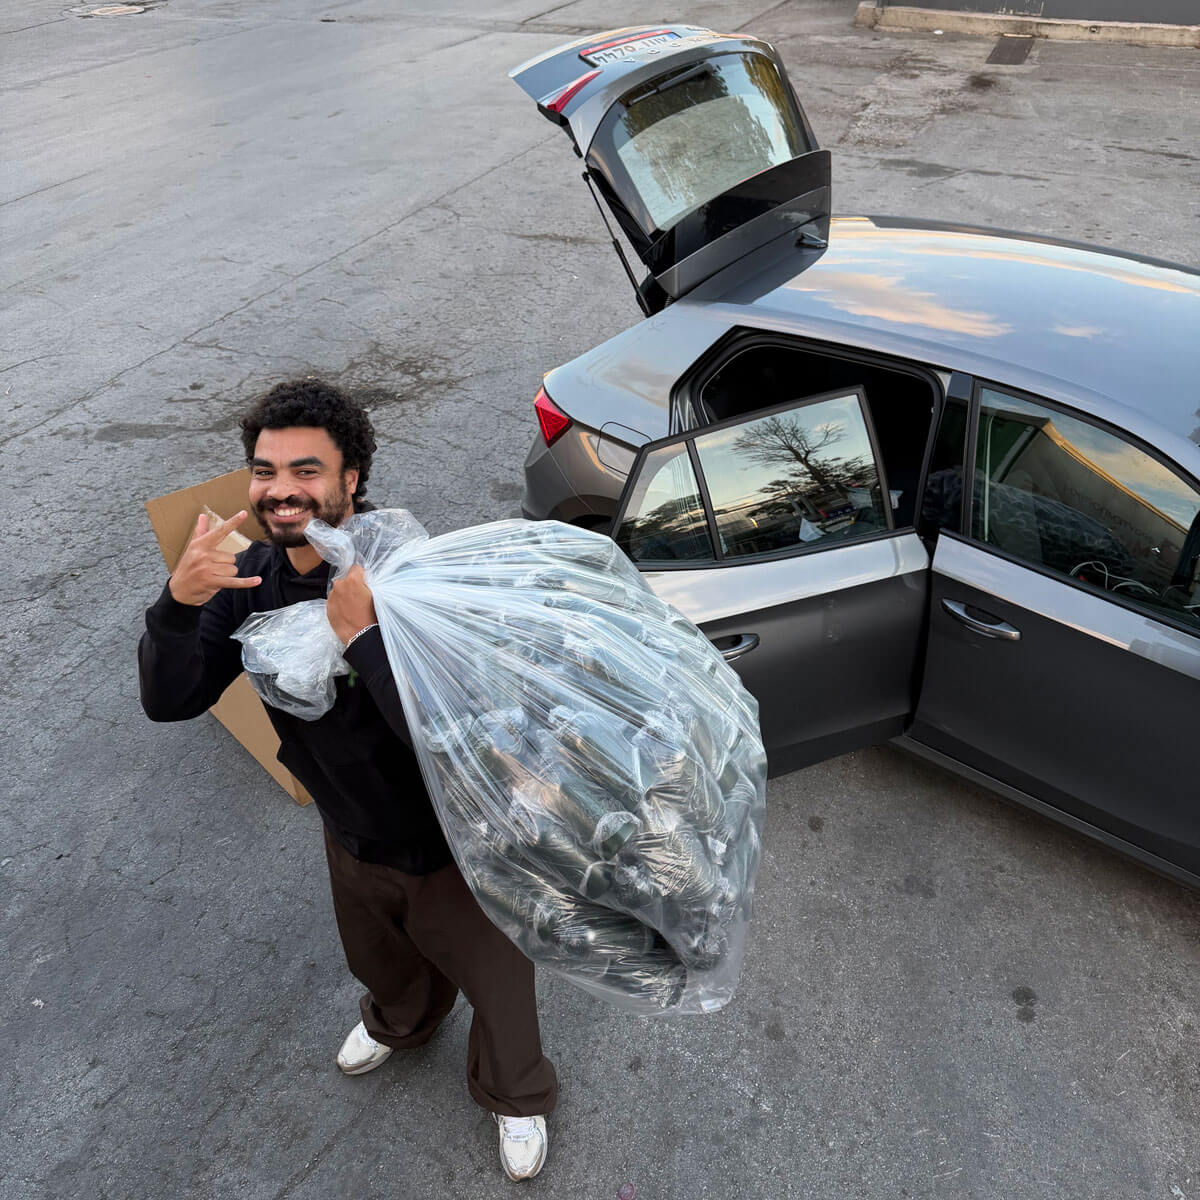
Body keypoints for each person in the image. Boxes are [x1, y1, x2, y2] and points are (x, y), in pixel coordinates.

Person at [138, 379, 557, 1182]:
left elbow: (453, 737)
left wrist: (363, 636)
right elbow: (172, 701)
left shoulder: (406, 576)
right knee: (380, 960)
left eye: (307, 469)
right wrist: (176, 606)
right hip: (348, 833)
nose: (282, 490)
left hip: (448, 846)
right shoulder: (249, 580)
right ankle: (402, 1023)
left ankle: (516, 1092)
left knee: (500, 985)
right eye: (264, 470)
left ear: (350, 478)